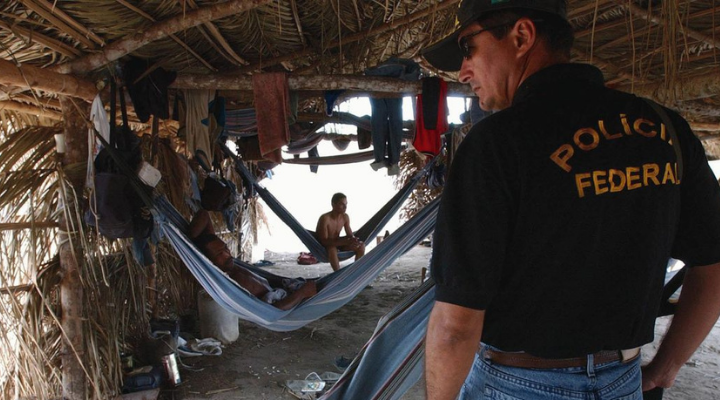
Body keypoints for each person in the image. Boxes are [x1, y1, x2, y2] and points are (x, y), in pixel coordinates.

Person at [421, 1, 720, 399]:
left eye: (467, 48)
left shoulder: (496, 144)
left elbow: (456, 325)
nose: (463, 72)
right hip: (623, 382)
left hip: (517, 384)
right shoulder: (665, 130)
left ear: (522, 36)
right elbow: (713, 265)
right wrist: (666, 368)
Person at [189, 208, 316, 310]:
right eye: (219, 254)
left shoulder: (229, 265)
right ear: (208, 262)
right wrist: (303, 293)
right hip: (287, 302)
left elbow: (203, 213)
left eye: (225, 248)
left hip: (282, 290)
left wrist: (192, 241)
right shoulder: (232, 281)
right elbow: (273, 311)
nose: (227, 254)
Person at [315, 193, 365, 271]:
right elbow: (324, 241)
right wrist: (344, 242)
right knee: (332, 249)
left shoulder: (345, 217)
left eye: (346, 204)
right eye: (341, 204)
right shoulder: (325, 218)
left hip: (338, 244)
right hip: (325, 247)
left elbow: (350, 235)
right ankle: (338, 274)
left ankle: (356, 271)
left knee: (361, 245)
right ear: (333, 204)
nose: (345, 207)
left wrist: (353, 240)